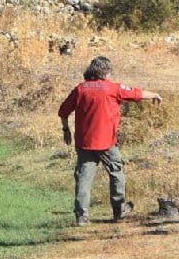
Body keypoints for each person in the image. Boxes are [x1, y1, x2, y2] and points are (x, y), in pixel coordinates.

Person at [58, 56, 162, 225]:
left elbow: (63, 111)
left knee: (84, 177)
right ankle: (118, 209)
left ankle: (81, 216)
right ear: (105, 72)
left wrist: (66, 130)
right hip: (106, 142)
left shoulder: (80, 89)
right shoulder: (112, 88)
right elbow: (135, 93)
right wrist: (154, 94)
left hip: (84, 142)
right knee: (116, 172)